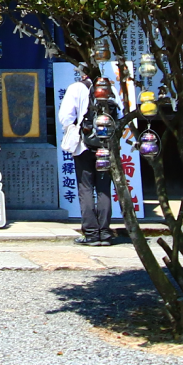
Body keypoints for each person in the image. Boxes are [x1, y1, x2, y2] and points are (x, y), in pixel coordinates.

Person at [57, 68, 115, 245]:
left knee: (86, 188)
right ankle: (104, 233)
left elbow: (65, 117)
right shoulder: (110, 88)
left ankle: (91, 233)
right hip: (106, 146)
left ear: (84, 74)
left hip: (84, 145)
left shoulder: (76, 88)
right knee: (104, 189)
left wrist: (73, 129)